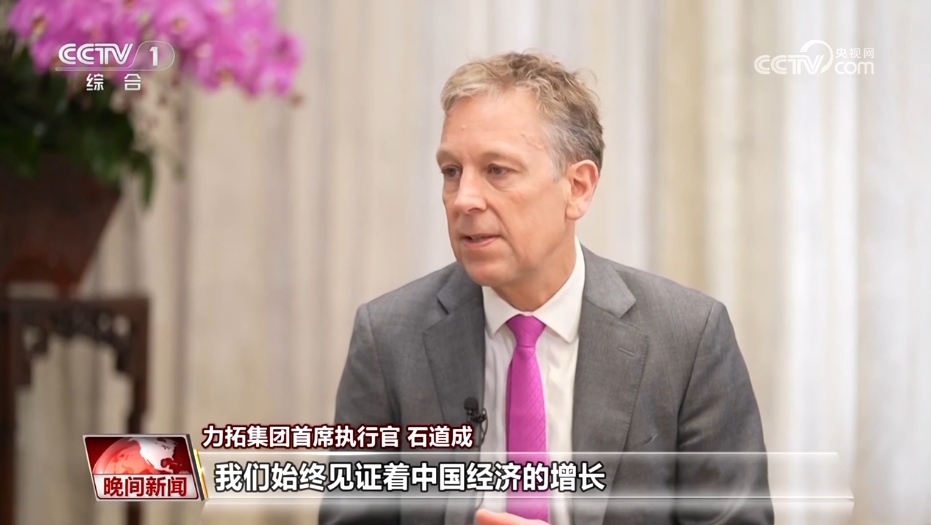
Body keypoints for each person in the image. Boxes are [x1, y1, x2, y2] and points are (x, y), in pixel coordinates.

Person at [320, 51, 773, 525]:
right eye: (451, 171)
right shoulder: (389, 339)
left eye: (497, 170)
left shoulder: (688, 339)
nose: (464, 199)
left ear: (578, 187)